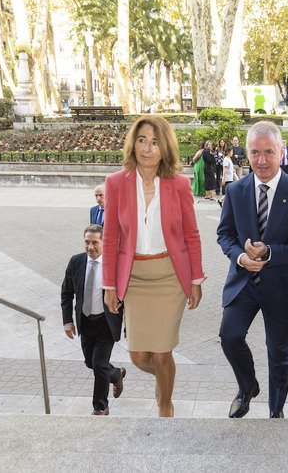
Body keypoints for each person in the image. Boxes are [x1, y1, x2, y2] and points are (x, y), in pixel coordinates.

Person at [102, 116, 206, 417]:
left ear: (165, 148)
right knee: (138, 356)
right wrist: (110, 285)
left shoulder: (179, 184)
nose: (147, 148)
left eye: (155, 141)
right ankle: (165, 377)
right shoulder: (116, 184)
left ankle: (165, 405)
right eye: (142, 140)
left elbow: (191, 234)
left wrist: (196, 279)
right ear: (133, 143)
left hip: (170, 277)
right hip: (133, 279)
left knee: (161, 352)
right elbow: (110, 238)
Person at [217, 121, 288, 419]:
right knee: (230, 336)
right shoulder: (235, 190)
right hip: (244, 282)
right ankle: (247, 387)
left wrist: (270, 253)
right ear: (246, 152)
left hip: (283, 286)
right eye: (254, 153)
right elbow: (225, 235)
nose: (261, 160)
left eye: (269, 152)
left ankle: (276, 412)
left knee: (279, 352)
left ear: (282, 150)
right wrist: (240, 258)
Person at [62, 224, 125, 415]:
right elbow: (67, 293)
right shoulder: (76, 262)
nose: (90, 247)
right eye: (87, 243)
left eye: (95, 242)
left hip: (106, 323)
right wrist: (67, 321)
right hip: (85, 323)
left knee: (98, 365)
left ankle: (100, 407)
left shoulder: (115, 265)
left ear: (104, 242)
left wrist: (129, 325)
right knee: (91, 363)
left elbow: (127, 295)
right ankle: (116, 374)